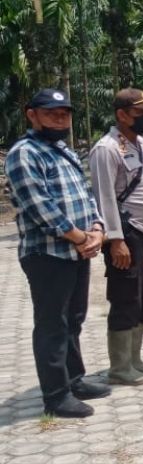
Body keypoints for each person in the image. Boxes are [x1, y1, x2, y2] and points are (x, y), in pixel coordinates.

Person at [8, 89, 109, 417]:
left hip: (79, 250)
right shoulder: (24, 153)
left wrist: (96, 227)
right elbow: (39, 206)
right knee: (52, 323)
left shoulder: (63, 150)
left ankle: (74, 379)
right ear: (32, 115)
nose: (60, 118)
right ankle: (55, 394)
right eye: (51, 113)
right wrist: (80, 237)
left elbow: (87, 192)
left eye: (64, 113)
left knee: (74, 319)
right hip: (48, 254)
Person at [89, 88, 143, 385]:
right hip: (127, 233)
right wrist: (115, 239)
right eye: (140, 112)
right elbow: (104, 197)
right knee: (125, 296)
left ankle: (135, 359)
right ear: (121, 114)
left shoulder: (140, 143)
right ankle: (119, 367)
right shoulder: (106, 148)